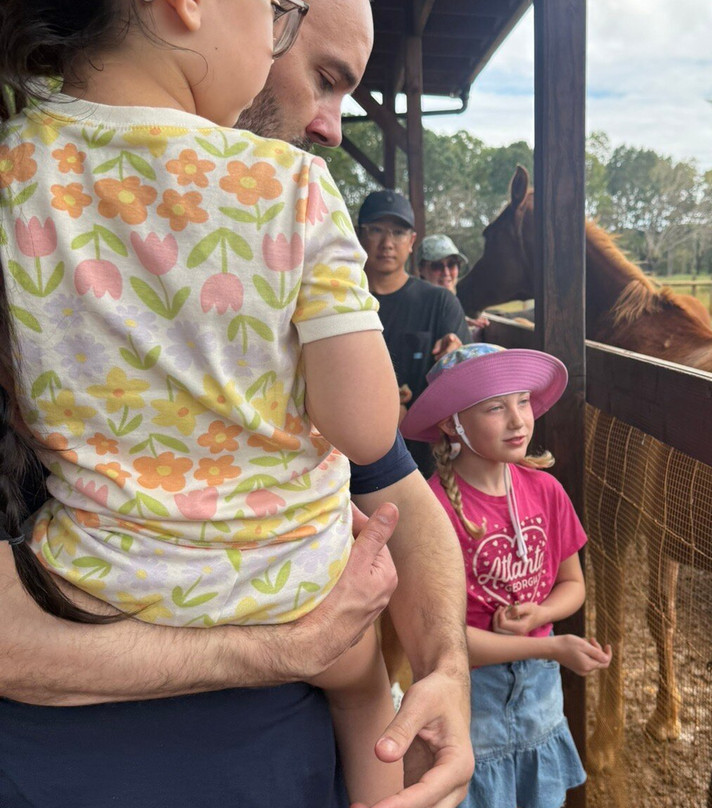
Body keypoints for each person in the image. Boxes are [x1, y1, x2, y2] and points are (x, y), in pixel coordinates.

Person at [0, 2, 472, 807]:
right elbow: (365, 432)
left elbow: (403, 495)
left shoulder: (15, 171)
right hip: (284, 599)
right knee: (360, 678)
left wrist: (449, 667)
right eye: (279, 24)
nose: (329, 127)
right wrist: (288, 648)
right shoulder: (287, 188)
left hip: (91, 577)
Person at [400, 344, 613, 808]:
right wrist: (552, 645)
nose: (518, 420)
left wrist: (542, 611)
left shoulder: (547, 490)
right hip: (473, 699)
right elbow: (446, 640)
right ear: (451, 423)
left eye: (522, 400)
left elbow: (572, 585)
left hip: (541, 697)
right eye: (496, 407)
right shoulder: (433, 512)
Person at [357, 191, 472, 477]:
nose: (387, 243)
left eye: (397, 232)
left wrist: (456, 358)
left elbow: (467, 381)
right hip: (349, 456)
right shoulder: (341, 300)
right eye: (376, 230)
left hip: (423, 463)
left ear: (411, 242)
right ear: (359, 236)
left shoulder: (440, 302)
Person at [418, 234, 488, 338]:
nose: (446, 272)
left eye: (452, 264)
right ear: (421, 269)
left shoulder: (451, 305)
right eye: (437, 266)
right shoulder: (416, 307)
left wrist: (463, 321)